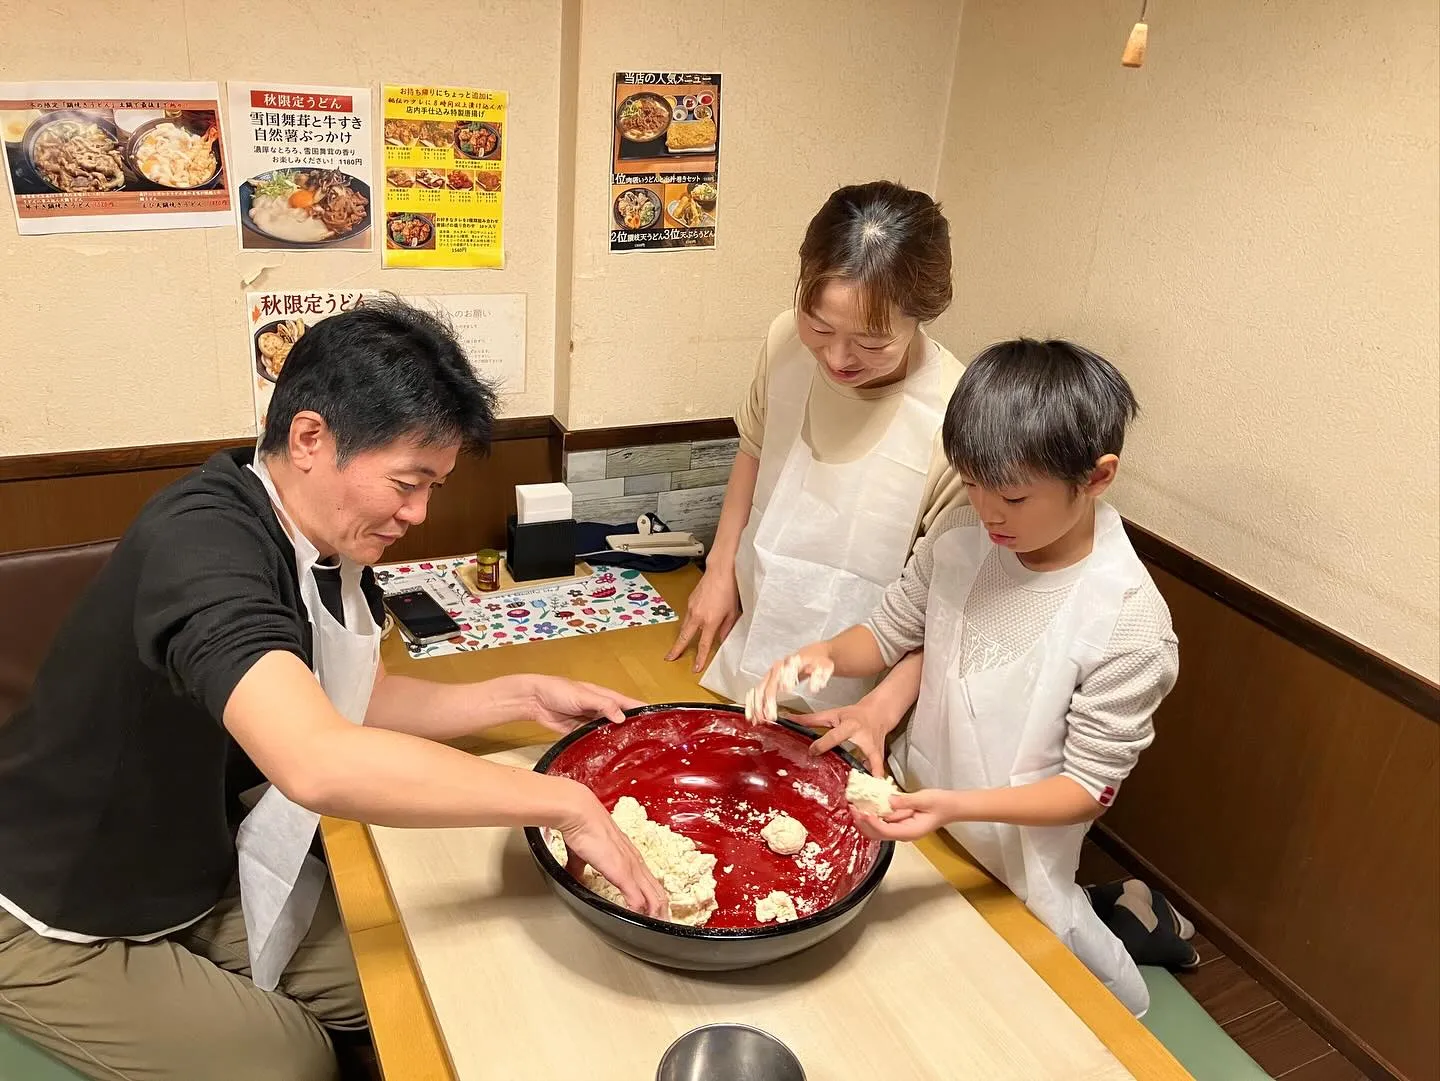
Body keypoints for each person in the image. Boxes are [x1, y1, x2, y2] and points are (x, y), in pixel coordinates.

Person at [0, 299, 666, 1081]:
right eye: (409, 483)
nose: (419, 513)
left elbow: (358, 699)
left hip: (189, 862)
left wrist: (517, 696)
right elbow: (316, 759)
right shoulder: (203, 543)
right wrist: (562, 802)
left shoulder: (321, 538)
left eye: (435, 486)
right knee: (295, 1058)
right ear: (310, 438)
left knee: (423, 973)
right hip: (56, 906)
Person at [750, 339, 1181, 1016]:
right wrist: (823, 653)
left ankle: (1136, 925)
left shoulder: (1127, 622)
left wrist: (954, 805)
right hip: (919, 808)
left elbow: (1084, 789)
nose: (988, 512)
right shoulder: (960, 532)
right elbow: (891, 633)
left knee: (1088, 1008)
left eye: (1013, 495)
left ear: (1097, 478)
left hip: (1015, 860)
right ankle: (1130, 910)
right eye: (973, 483)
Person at [666, 180, 968, 730]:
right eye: (820, 326)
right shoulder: (784, 341)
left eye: (872, 343)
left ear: (922, 315)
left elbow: (949, 598)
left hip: (867, 696)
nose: (837, 357)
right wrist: (719, 570)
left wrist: (881, 708)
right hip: (752, 632)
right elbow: (754, 449)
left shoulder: (956, 411)